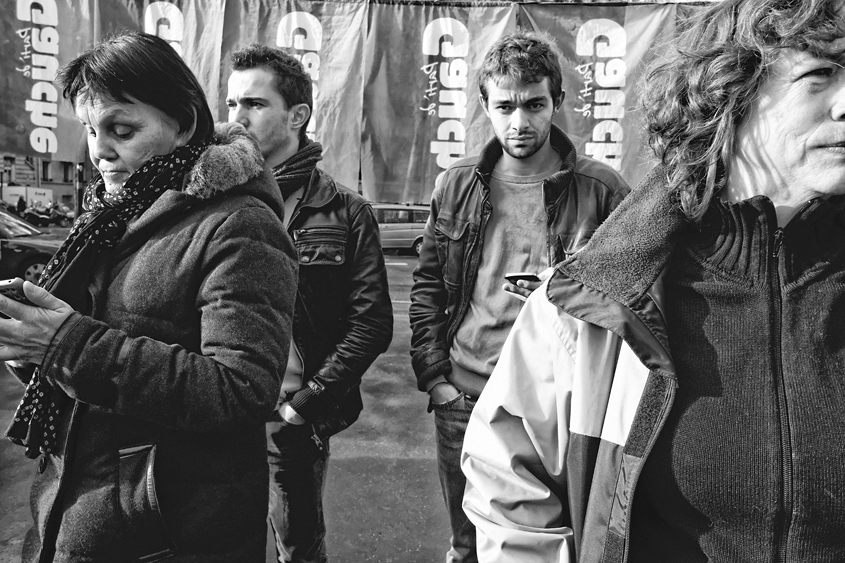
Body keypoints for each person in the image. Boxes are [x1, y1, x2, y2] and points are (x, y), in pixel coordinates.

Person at [461, 1, 845, 562]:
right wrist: (437, 369)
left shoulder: (599, 187)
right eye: (819, 75)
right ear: (725, 95)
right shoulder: (596, 299)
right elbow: (510, 486)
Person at [3, 31, 298, 562]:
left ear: (183, 123)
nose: (100, 151)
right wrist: (29, 341)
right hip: (71, 510)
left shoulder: (239, 224)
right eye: (91, 130)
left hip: (168, 530)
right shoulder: (111, 216)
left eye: (121, 129)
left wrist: (66, 344)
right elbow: (81, 367)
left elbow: (241, 389)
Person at [409, 30, 630, 563]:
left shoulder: (600, 190)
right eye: (505, 106)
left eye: (534, 105)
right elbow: (428, 286)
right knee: (468, 544)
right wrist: (435, 378)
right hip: (464, 396)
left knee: (557, 542)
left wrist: (560, 292)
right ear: (484, 104)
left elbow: (630, 303)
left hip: (556, 407)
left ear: (556, 101)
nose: (519, 121)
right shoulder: (457, 183)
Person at [226, 44, 393, 563]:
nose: (236, 118)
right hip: (218, 412)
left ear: (297, 115)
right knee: (219, 543)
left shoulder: (344, 211)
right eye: (231, 104)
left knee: (297, 548)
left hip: (288, 422)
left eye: (253, 104)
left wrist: (308, 403)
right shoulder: (212, 198)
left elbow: (371, 323)